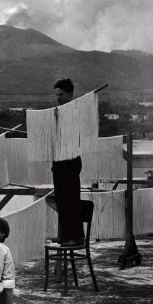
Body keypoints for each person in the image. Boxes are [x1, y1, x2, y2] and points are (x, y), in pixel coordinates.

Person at [52, 78, 85, 247]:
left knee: (71, 198)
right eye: (56, 94)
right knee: (61, 199)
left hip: (71, 159)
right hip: (58, 159)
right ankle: (65, 235)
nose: (58, 98)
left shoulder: (76, 111)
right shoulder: (58, 111)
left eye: (62, 94)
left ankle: (77, 236)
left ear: (70, 94)